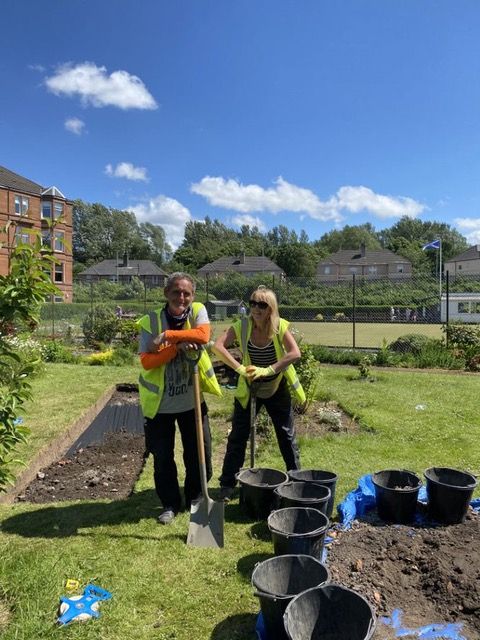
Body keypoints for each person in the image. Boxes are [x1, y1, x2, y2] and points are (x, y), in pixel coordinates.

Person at [137, 272, 222, 524]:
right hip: (160, 404)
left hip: (192, 400)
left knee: (200, 454)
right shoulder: (151, 320)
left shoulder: (197, 311)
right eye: (176, 292)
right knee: (163, 457)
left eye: (186, 293)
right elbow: (146, 360)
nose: (181, 297)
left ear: (192, 296)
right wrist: (175, 349)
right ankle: (170, 503)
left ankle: (196, 498)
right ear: (166, 293)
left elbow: (203, 336)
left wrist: (167, 337)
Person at [213, 285, 306, 501]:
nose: (256, 308)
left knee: (286, 435)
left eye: (262, 304)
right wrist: (239, 369)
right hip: (250, 386)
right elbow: (218, 346)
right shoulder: (242, 325)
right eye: (253, 302)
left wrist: (270, 369)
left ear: (271, 309)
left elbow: (295, 353)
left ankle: (296, 482)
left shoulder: (279, 327)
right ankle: (227, 485)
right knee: (238, 435)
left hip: (276, 386)